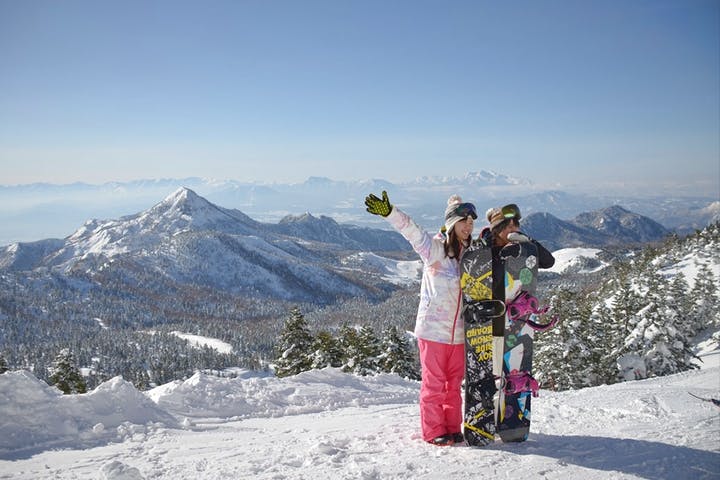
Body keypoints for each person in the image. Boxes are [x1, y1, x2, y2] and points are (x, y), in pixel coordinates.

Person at [365, 190, 477, 446]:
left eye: (471, 222)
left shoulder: (472, 257)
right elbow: (412, 232)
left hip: (460, 333)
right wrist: (391, 212)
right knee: (434, 384)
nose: (468, 227)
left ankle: (452, 427)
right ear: (451, 224)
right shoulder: (434, 251)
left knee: (454, 384)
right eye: (463, 221)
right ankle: (434, 429)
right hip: (433, 331)